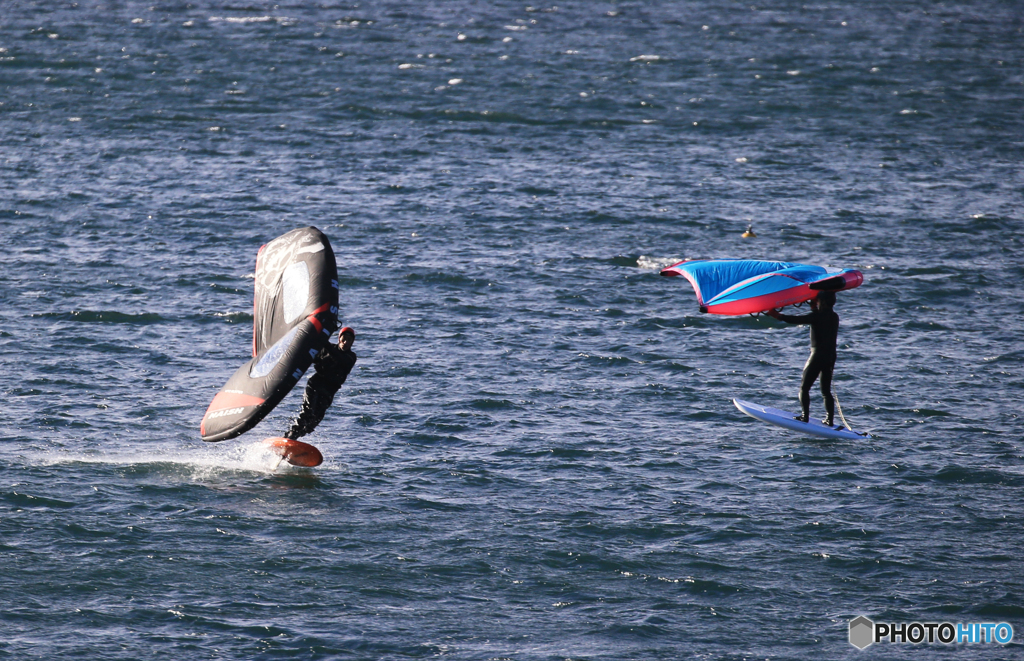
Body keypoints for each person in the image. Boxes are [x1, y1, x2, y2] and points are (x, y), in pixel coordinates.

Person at [766, 291, 840, 426]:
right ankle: (830, 420)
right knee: (826, 391)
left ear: (821, 302)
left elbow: (796, 320)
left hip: (817, 355)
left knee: (804, 388)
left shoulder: (816, 316)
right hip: (830, 356)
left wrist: (777, 315)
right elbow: (819, 316)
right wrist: (813, 306)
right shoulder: (835, 316)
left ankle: (804, 416)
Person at [284, 326, 357, 440]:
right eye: (344, 339)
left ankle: (293, 438)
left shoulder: (351, 357)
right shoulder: (326, 348)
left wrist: (323, 341)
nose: (346, 342)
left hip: (328, 392)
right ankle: (290, 436)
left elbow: (338, 358)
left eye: (349, 340)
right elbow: (309, 357)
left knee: (312, 423)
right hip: (315, 385)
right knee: (307, 413)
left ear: (353, 342)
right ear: (339, 339)